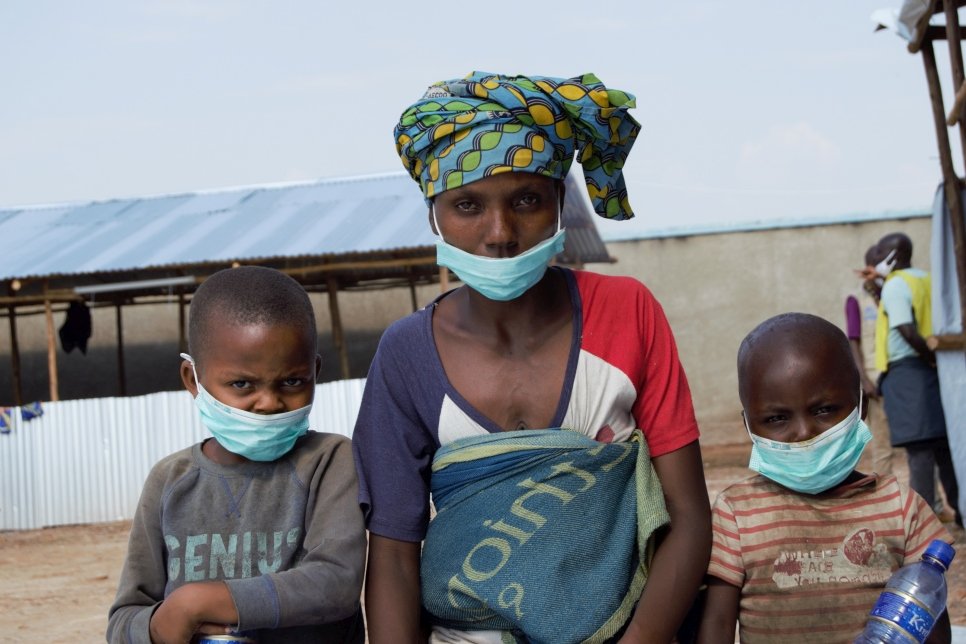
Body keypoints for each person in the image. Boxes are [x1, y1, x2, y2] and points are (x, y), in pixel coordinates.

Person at [352, 71, 711, 643]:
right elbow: (393, 552)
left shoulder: (628, 311)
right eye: (467, 204)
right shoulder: (406, 354)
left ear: (559, 203)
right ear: (433, 216)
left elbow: (687, 515)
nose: (500, 233)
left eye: (526, 200)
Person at [106, 266, 367, 644]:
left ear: (315, 371)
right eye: (242, 383)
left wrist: (198, 602)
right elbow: (124, 619)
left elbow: (335, 583)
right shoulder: (169, 481)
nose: (268, 402)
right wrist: (157, 624)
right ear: (193, 380)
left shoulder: (330, 461)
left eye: (292, 381)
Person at [697, 312, 954, 644]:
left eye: (824, 410)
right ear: (748, 424)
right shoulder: (736, 513)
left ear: (860, 406)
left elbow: (932, 623)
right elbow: (716, 624)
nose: (803, 433)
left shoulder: (902, 507)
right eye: (776, 418)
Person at [872, 232, 961, 527]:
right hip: (933, 370)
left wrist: (927, 356)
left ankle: (922, 526)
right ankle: (961, 513)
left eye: (881, 253)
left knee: (920, 450)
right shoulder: (926, 279)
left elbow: (905, 329)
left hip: (909, 370)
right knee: (943, 447)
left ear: (892, 256)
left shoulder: (896, 284)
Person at [844, 244, 893, 477]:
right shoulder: (856, 299)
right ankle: (887, 500)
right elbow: (853, 341)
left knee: (920, 441)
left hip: (902, 375)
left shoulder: (894, 292)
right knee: (883, 443)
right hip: (876, 378)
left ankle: (930, 500)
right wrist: (864, 379)